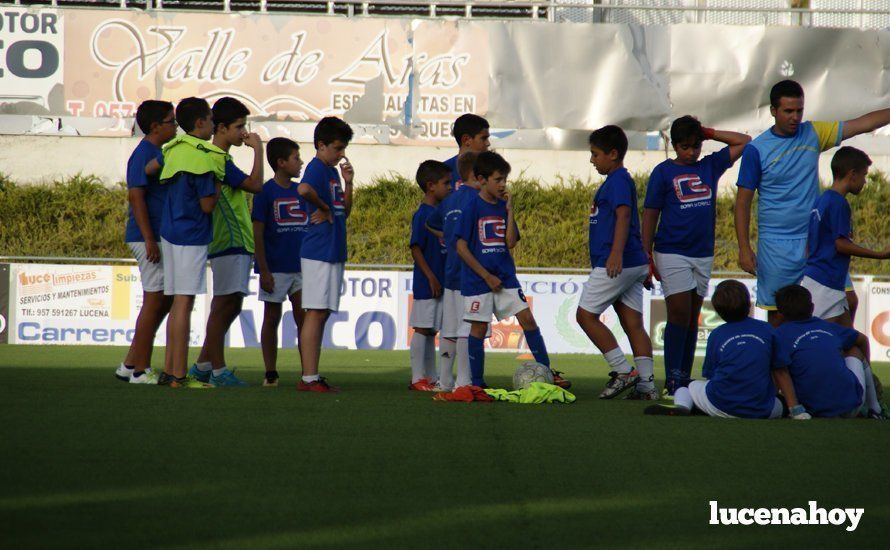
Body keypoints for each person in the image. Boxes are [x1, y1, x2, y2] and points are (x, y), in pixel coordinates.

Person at [735, 79, 890, 324]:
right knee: (779, 318)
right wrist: (744, 248)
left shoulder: (814, 133)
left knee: (848, 302)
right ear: (773, 111)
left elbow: (862, 124)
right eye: (788, 111)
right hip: (777, 247)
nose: (795, 117)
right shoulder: (757, 150)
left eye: (799, 110)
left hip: (816, 242)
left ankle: (839, 361)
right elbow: (742, 202)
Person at [642, 115, 750, 397]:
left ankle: (682, 377)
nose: (691, 152)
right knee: (677, 313)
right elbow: (650, 215)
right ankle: (672, 380)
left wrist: (709, 132)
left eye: (695, 146)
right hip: (671, 251)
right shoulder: (662, 172)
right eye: (685, 146)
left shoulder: (710, 166)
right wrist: (646, 254)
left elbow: (745, 142)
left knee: (691, 318)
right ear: (674, 145)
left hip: (702, 254)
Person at [454, 152, 555, 388]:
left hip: (506, 278)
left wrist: (510, 212)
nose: (502, 185)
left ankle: (549, 374)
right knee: (478, 328)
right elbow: (460, 246)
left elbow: (510, 242)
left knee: (527, 319)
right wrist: (485, 275)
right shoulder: (472, 208)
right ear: (481, 179)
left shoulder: (502, 207)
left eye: (504, 180)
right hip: (479, 281)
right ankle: (477, 383)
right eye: (498, 180)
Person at [644, 280, 807, 419]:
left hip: (721, 405)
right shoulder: (768, 330)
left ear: (719, 311)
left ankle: (684, 406)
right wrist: (796, 410)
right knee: (782, 402)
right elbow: (781, 372)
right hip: (760, 409)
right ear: (748, 303)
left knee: (686, 386)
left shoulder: (717, 334)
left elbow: (710, 375)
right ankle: (792, 409)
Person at [576, 125, 655, 400]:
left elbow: (623, 216)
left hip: (618, 261)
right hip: (633, 262)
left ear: (613, 154)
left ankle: (623, 371)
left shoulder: (619, 180)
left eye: (595, 154)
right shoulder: (616, 180)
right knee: (632, 322)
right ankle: (646, 385)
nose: (592, 160)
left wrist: (616, 253)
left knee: (584, 316)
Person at [189, 97, 264, 387]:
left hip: (236, 242)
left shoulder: (222, 158)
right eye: (239, 126)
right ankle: (218, 371)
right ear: (220, 128)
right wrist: (258, 150)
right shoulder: (217, 158)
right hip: (228, 241)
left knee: (231, 305)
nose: (243, 132)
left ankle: (203, 365)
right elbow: (256, 186)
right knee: (223, 305)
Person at [156, 97, 222, 388]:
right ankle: (179, 376)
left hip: (169, 233)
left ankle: (170, 371)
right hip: (191, 235)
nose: (213, 126)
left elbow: (149, 171)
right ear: (200, 123)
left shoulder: (173, 150)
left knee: (176, 303)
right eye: (210, 120)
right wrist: (219, 183)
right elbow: (208, 205)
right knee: (184, 302)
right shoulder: (203, 156)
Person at [115, 100, 177, 385]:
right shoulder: (143, 154)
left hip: (153, 235)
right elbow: (136, 197)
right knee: (154, 299)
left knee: (162, 299)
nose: (175, 126)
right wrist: (150, 238)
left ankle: (130, 364)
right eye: (171, 122)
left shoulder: (156, 153)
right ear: (155, 127)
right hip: (146, 236)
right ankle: (141, 370)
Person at [297, 117, 355, 392]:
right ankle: (308, 377)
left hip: (331, 249)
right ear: (321, 145)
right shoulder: (317, 168)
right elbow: (303, 189)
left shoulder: (331, 172)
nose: (342, 153)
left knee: (321, 312)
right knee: (315, 312)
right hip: (318, 249)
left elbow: (345, 211)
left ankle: (313, 375)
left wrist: (349, 184)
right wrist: (322, 207)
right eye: (338, 147)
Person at [801, 146, 890, 324]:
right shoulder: (838, 203)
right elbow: (840, 244)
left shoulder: (822, 199)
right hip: (825, 284)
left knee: (852, 339)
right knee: (830, 341)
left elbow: (809, 245)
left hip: (821, 280)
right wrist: (880, 255)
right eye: (864, 175)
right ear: (853, 174)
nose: (865, 182)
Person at [773, 284, 883, 418]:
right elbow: (863, 340)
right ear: (812, 307)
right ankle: (875, 408)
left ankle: (793, 406)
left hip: (811, 410)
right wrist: (869, 372)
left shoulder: (778, 335)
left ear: (779, 314)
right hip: (852, 406)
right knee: (854, 350)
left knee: (779, 363)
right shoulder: (827, 326)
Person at [252, 137, 307, 387]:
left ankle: (309, 372)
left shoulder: (302, 190)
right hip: (275, 268)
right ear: (281, 162)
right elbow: (258, 233)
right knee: (272, 318)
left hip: (301, 268)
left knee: (304, 319)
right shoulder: (264, 192)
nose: (301, 162)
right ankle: (270, 372)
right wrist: (264, 269)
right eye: (296, 158)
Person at [426, 152, 480, 392]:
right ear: (479, 175)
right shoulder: (479, 199)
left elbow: (431, 223)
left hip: (450, 274)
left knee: (449, 330)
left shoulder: (449, 200)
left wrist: (448, 238)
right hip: (472, 275)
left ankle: (445, 381)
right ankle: (465, 383)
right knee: (468, 329)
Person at [407, 160, 452, 391]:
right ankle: (417, 379)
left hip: (443, 282)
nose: (451, 187)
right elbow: (415, 248)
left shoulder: (441, 213)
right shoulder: (422, 214)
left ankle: (432, 377)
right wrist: (432, 277)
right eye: (446, 183)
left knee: (433, 330)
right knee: (423, 328)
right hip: (429, 282)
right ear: (431, 186)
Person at [445, 114, 490, 189]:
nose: (488, 143)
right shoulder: (442, 172)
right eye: (483, 138)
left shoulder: (491, 171)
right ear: (466, 140)